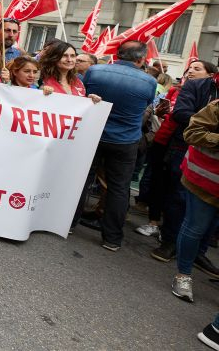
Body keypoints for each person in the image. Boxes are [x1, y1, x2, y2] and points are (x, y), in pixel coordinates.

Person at [73, 41, 154, 251]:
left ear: (118, 54)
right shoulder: (149, 81)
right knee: (119, 188)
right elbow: (145, 105)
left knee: (82, 179)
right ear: (141, 59)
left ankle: (68, 223)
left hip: (94, 134)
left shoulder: (95, 71)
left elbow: (86, 95)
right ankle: (112, 238)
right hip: (125, 140)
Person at [153, 60, 219, 266]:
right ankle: (170, 241)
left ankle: (199, 251)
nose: (191, 71)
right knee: (180, 197)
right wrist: (211, 122)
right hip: (188, 149)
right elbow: (181, 113)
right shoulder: (196, 86)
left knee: (214, 210)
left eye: (196, 68)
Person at [170, 100, 219, 303]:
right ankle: (183, 275)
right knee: (195, 228)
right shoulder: (216, 107)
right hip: (204, 182)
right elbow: (191, 133)